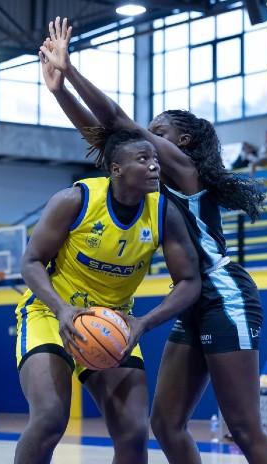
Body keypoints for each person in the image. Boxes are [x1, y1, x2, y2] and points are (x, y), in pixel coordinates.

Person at [40, 17, 267, 464]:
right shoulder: (145, 177)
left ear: (181, 141)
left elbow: (115, 122)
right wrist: (58, 91)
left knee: (244, 425)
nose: (143, 142)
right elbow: (106, 137)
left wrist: (71, 71)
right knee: (166, 424)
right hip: (189, 300)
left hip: (224, 295)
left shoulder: (185, 172)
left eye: (157, 132)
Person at [12, 123, 201, 461]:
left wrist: (144, 322)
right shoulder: (75, 200)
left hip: (112, 322)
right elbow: (31, 262)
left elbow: (189, 281)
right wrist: (61, 309)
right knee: (50, 418)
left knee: (133, 431)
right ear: (117, 169)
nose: (154, 165)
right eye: (143, 159)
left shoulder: (163, 213)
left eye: (155, 159)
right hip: (49, 313)